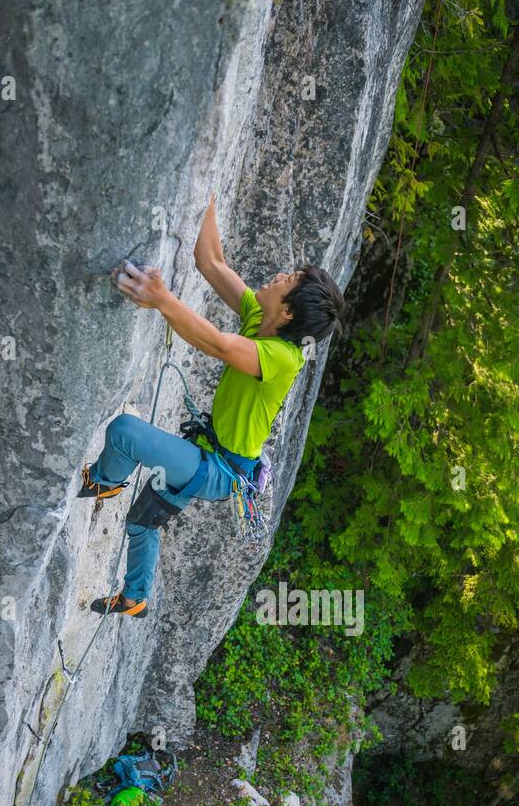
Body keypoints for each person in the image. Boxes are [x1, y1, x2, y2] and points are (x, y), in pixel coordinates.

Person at [79, 196, 345, 617]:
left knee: (125, 434)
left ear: (289, 312)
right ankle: (135, 599)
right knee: (143, 520)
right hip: (213, 455)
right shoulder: (262, 316)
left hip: (219, 471)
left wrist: (162, 299)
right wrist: (206, 198)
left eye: (287, 278)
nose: (278, 275)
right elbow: (211, 261)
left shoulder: (282, 357)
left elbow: (218, 344)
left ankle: (105, 480)